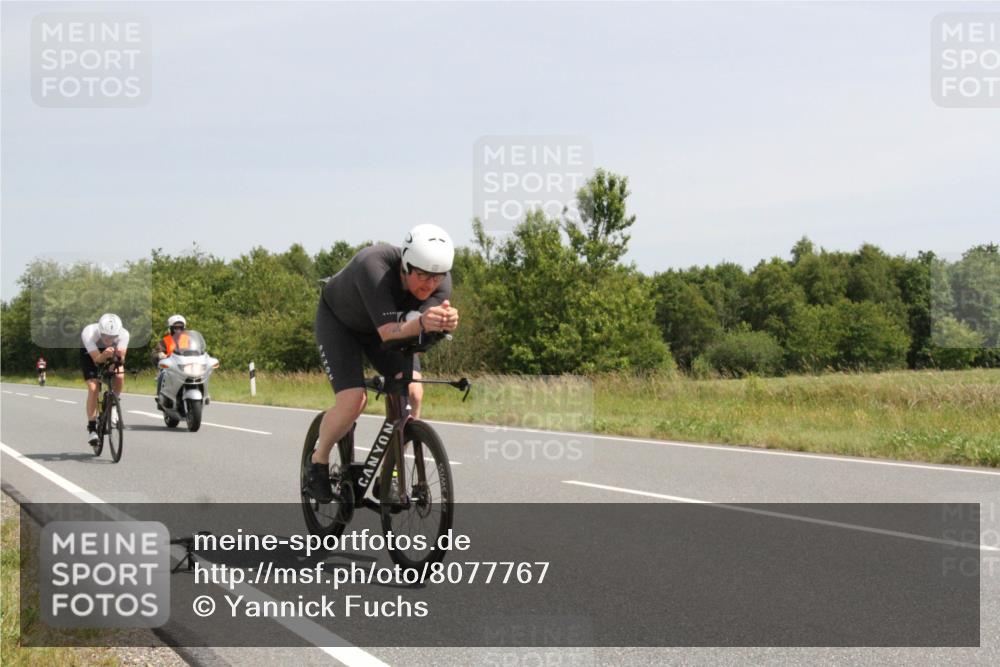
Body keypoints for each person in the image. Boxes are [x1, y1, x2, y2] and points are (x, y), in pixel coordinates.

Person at [308, 224, 460, 502]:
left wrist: (442, 325)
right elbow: (391, 332)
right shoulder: (374, 266)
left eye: (436, 277)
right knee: (354, 400)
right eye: (422, 275)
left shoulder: (441, 283)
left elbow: (418, 336)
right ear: (405, 264)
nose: (429, 284)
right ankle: (318, 461)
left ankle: (389, 475)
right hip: (341, 324)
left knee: (413, 392)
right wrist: (423, 323)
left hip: (384, 330)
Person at [80, 313, 129, 447]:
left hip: (111, 352)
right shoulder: (89, 333)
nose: (108, 339)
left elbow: (121, 359)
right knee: (94, 388)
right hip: (91, 354)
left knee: (119, 375)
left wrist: (115, 361)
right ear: (100, 331)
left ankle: (113, 405)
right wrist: (103, 355)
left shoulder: (124, 334)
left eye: (112, 337)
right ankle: (92, 429)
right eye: (105, 336)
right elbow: (97, 359)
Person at [154, 315, 189, 400]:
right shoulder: (165, 340)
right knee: (162, 373)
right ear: (170, 328)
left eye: (180, 328)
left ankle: (203, 394)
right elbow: (156, 352)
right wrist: (160, 354)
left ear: (184, 328)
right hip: (171, 367)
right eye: (175, 328)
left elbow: (198, 349)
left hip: (187, 366)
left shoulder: (189, 340)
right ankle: (160, 396)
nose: (178, 330)